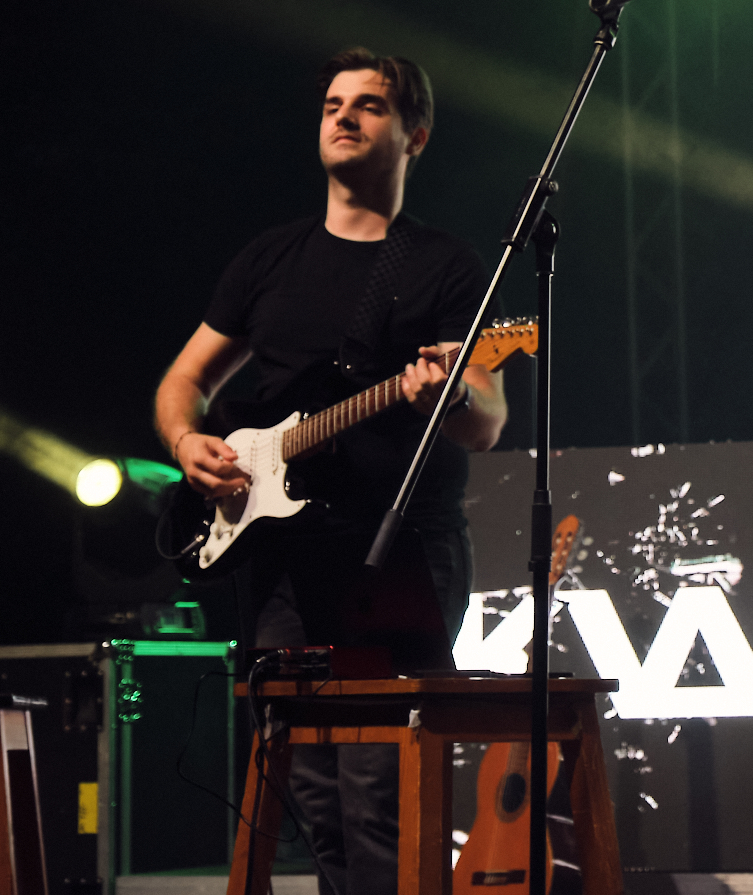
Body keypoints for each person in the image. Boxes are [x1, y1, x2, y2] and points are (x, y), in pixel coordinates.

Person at [154, 48, 507, 895]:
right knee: (309, 794)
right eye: (332, 104)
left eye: (370, 105)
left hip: (396, 553)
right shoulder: (268, 259)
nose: (344, 116)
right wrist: (186, 440)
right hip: (282, 558)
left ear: (415, 135)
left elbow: (487, 421)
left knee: (381, 791)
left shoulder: (445, 266)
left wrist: (443, 394)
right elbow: (184, 380)